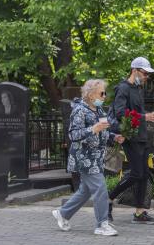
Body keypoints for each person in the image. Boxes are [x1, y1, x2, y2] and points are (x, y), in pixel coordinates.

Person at [52, 79, 125, 236]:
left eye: (105, 93)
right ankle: (101, 225)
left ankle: (63, 213)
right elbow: (73, 134)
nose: (104, 96)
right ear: (91, 94)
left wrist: (113, 136)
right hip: (84, 158)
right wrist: (93, 129)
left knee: (85, 191)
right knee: (100, 188)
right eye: (101, 93)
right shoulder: (79, 110)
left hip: (96, 158)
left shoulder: (99, 111)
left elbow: (102, 132)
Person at [108, 57, 154, 224]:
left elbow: (137, 113)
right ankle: (108, 199)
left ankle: (139, 213)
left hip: (142, 136)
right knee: (137, 173)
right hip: (131, 137)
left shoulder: (138, 88)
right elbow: (120, 114)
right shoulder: (122, 88)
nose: (146, 77)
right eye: (145, 74)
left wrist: (147, 118)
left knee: (144, 174)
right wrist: (145, 116)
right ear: (135, 70)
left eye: (147, 75)